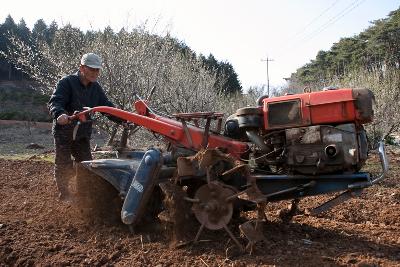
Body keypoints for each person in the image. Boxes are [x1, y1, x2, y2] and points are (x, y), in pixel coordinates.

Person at [48, 52, 120, 201]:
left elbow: (107, 107)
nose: (95, 73)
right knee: (63, 163)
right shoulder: (67, 82)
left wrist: (123, 119)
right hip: (64, 131)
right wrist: (60, 114)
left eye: (97, 70)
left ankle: (84, 195)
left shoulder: (96, 88)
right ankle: (65, 194)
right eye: (92, 69)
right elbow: (55, 101)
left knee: (87, 164)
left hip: (82, 133)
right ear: (82, 68)